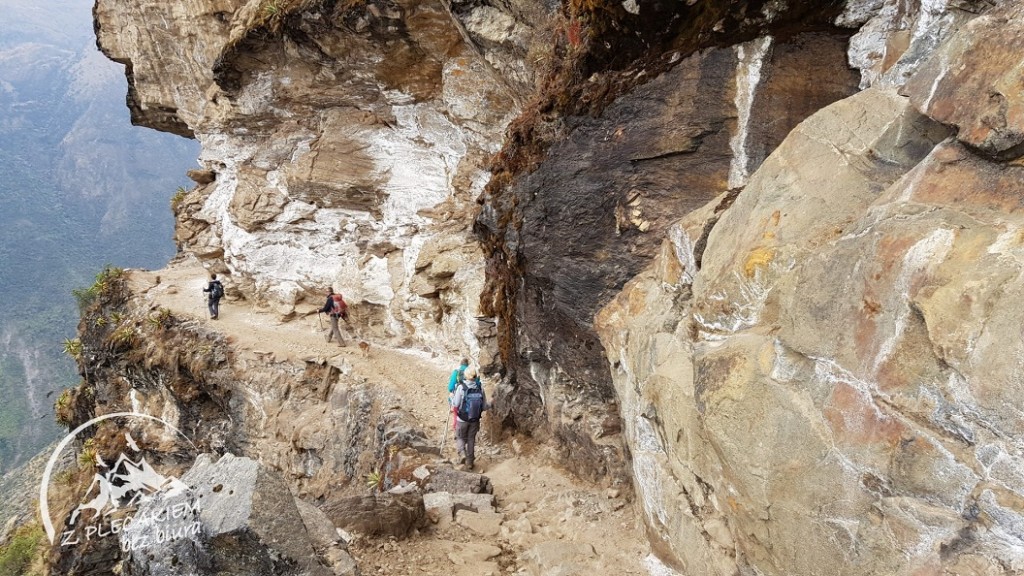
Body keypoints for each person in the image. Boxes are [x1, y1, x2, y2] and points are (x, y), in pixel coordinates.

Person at [451, 368, 487, 470]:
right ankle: (470, 463)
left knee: (460, 437)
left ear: (466, 376)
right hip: (474, 420)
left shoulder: (461, 387)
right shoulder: (480, 388)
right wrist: (491, 404)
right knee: (471, 439)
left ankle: (462, 453)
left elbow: (456, 404)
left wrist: (451, 397)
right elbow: (484, 407)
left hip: (462, 419)